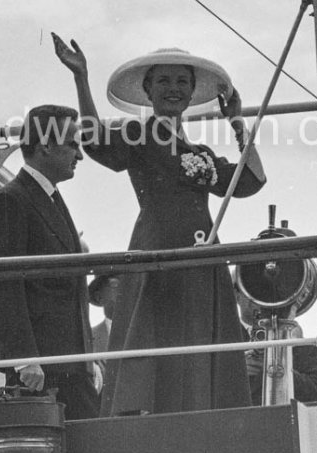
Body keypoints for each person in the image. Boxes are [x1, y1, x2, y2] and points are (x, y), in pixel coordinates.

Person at [52, 35, 266, 416]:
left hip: (203, 261)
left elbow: (250, 180)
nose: (174, 90)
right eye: (164, 81)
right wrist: (81, 78)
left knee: (200, 350)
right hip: (159, 251)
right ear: (148, 90)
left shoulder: (199, 153)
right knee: (158, 349)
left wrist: (237, 121)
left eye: (182, 82)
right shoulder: (139, 135)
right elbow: (94, 140)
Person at [0, 104, 100, 420]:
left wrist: (89, 360)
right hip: (40, 371)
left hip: (69, 366)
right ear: (45, 146)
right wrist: (24, 359)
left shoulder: (48, 198)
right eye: (73, 145)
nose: (80, 155)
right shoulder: (12, 201)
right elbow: (4, 283)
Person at [235, 289, 317, 405]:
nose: (258, 297)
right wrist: (238, 369)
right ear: (236, 295)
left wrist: (276, 367)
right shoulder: (221, 340)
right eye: (251, 288)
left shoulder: (302, 346)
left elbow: (315, 392)